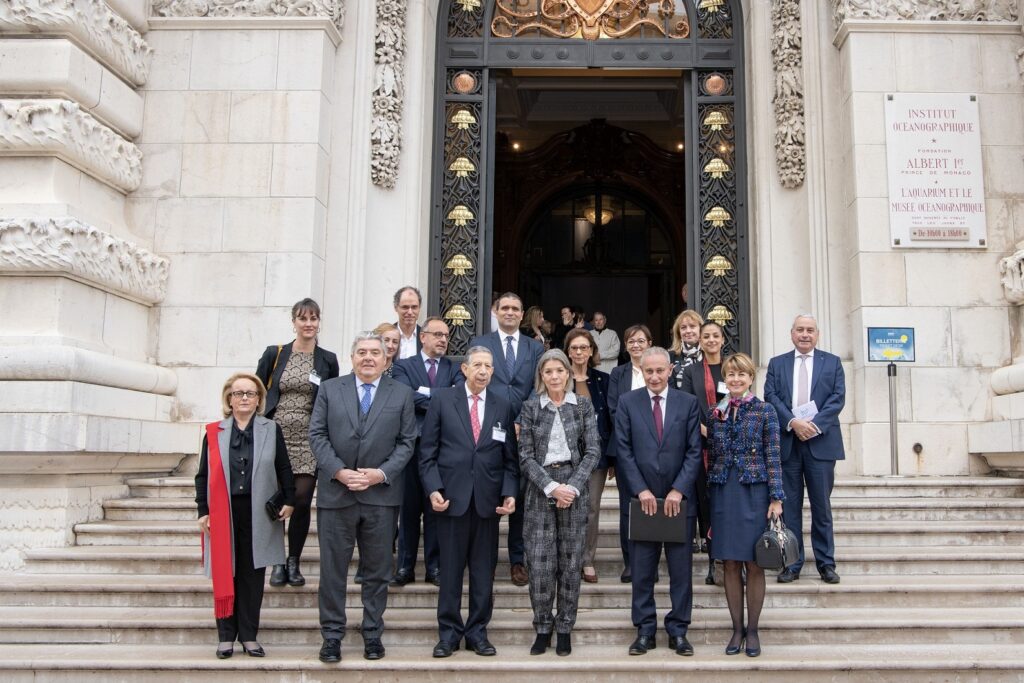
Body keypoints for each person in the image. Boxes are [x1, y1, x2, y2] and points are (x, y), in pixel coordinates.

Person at [309, 332, 417, 663]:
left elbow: (407, 441)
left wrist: (380, 473)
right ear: (352, 357)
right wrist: (340, 471)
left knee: (377, 570)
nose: (368, 357)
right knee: (332, 572)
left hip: (381, 496)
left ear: (387, 359)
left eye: (375, 352)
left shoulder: (401, 393)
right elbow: (318, 434)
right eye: (361, 352)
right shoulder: (330, 389)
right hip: (336, 493)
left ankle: (372, 632)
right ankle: (331, 636)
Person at [419, 346, 518, 658]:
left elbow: (510, 460)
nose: (484, 371)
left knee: (483, 572)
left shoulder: (503, 405)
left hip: (488, 503)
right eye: (478, 365)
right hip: (451, 500)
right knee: (449, 572)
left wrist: (510, 492)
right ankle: (448, 635)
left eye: (489, 366)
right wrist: (434, 488)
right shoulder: (443, 400)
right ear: (464, 369)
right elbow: (427, 454)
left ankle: (477, 632)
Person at [195, 373, 295, 659]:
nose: (244, 398)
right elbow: (203, 474)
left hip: (258, 513)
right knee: (226, 572)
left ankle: (249, 636)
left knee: (252, 575)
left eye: (250, 394)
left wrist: (289, 500)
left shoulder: (271, 429)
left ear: (259, 399)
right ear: (229, 398)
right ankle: (226, 636)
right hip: (224, 512)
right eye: (238, 393)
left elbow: (284, 468)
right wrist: (203, 510)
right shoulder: (214, 432)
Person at [614, 347, 702, 657]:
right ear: (641, 369)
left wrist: (679, 489)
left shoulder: (688, 403)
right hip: (643, 502)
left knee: (681, 571)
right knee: (641, 569)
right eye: (648, 371)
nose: (654, 376)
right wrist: (641, 490)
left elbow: (694, 450)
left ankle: (678, 630)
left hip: (678, 502)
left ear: (669, 371)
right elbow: (622, 450)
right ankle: (645, 630)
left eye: (659, 371)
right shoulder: (627, 402)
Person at [519, 349, 601, 656]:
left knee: (570, 563)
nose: (554, 376)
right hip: (541, 487)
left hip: (574, 487)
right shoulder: (530, 408)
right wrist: (552, 487)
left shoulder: (582, 406)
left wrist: (573, 486)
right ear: (541, 376)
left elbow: (593, 451)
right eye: (548, 371)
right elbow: (525, 455)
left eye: (559, 370)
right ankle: (542, 626)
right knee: (540, 564)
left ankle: (565, 626)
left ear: (568, 373)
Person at [255, 298, 339, 589]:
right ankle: (277, 561)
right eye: (303, 318)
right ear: (294, 322)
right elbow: (257, 390)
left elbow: (332, 399)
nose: (308, 324)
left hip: (308, 437)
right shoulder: (275, 354)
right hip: (275, 436)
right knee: (278, 495)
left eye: (314, 318)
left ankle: (294, 560)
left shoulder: (327, 359)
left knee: (301, 500)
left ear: (319, 322)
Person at [707, 352, 785, 658]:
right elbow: (711, 454)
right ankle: (736, 628)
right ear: (724, 379)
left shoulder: (765, 411)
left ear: (751, 378)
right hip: (724, 492)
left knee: (754, 563)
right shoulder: (716, 412)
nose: (736, 379)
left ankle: (753, 630)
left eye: (741, 374)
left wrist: (776, 498)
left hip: (754, 492)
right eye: (730, 374)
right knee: (729, 562)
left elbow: (774, 455)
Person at [764, 314, 846, 585]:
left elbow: (837, 399)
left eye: (810, 330)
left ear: (817, 334)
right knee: (790, 509)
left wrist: (812, 425)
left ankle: (826, 564)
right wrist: (792, 422)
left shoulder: (832, 363)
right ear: (792, 333)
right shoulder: (777, 364)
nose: (805, 334)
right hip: (789, 443)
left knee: (822, 508)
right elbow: (771, 396)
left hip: (820, 443)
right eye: (800, 329)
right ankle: (792, 562)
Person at [470, 292, 544, 587]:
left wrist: (520, 419)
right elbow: (475, 381)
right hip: (487, 430)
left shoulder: (534, 347)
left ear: (522, 312)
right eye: (505, 308)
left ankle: (517, 559)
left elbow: (538, 385)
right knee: (489, 492)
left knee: (521, 497)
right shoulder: (481, 345)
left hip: (525, 432)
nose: (511, 313)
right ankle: (483, 560)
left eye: (516, 308)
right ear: (495, 311)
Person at [391, 317, 463, 587]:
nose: (443, 340)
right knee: (408, 509)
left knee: (436, 510)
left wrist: (425, 394)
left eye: (446, 335)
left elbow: (456, 397)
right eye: (437, 335)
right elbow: (404, 397)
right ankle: (405, 567)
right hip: (410, 448)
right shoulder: (403, 366)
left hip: (441, 449)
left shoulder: (454, 368)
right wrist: (438, 396)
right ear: (423, 337)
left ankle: (434, 567)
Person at [678, 320, 725, 583]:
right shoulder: (691, 372)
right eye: (705, 336)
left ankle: (730, 560)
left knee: (726, 507)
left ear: (722, 339)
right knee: (706, 507)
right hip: (701, 446)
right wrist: (707, 431)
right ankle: (712, 562)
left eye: (714, 335)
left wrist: (722, 433)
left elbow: (742, 400)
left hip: (731, 450)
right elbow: (686, 407)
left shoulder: (733, 367)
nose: (710, 340)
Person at [605, 324, 652, 583]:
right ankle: (631, 562)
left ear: (649, 343)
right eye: (631, 341)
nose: (636, 345)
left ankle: (650, 563)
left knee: (652, 505)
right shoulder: (618, 373)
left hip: (657, 450)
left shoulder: (657, 371)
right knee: (628, 508)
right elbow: (614, 409)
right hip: (625, 449)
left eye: (641, 341)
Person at [564, 328, 612, 584]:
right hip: (564, 456)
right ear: (568, 351)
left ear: (592, 351)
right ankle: (566, 559)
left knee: (591, 509)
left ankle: (587, 559)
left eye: (584, 347)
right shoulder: (559, 377)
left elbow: (609, 419)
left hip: (596, 456)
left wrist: (612, 458)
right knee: (566, 508)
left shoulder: (604, 380)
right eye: (575, 348)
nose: (580, 352)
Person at [668, 310, 704, 390]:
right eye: (683, 327)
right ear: (679, 333)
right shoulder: (670, 356)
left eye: (692, 326)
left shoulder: (708, 354)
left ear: (701, 329)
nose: (688, 331)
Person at [393, 286, 422, 359]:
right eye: (405, 307)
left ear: (419, 308)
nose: (410, 312)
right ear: (396, 307)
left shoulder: (427, 337)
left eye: (414, 307)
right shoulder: (383, 336)